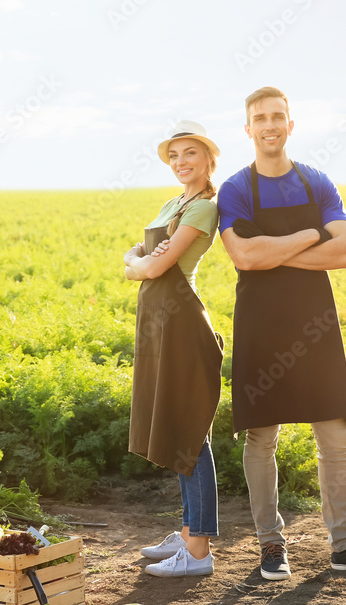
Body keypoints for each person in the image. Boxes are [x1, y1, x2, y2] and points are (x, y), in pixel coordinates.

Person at [216, 87, 346, 580]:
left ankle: (344, 546)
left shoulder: (317, 182)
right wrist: (310, 235)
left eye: (278, 117)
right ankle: (271, 548)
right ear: (247, 129)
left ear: (290, 126)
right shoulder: (234, 189)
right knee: (261, 439)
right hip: (260, 325)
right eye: (260, 118)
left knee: (335, 437)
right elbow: (245, 258)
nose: (270, 125)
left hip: (315, 324)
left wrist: (273, 253)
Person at [124, 120, 224, 577]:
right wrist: (139, 262)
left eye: (190, 154)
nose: (181, 163)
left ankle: (199, 551)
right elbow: (136, 254)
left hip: (182, 324)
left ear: (208, 160)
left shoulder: (204, 208)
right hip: (159, 325)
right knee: (174, 425)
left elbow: (155, 264)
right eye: (174, 156)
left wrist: (138, 265)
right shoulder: (174, 202)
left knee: (189, 432)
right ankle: (186, 532)